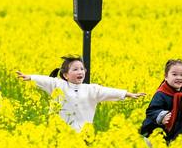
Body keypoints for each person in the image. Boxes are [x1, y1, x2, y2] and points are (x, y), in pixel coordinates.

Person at [16, 56, 145, 132]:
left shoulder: (91, 89)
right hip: (61, 133)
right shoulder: (58, 85)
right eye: (75, 69)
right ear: (65, 75)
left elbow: (109, 91)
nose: (80, 72)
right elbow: (45, 80)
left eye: (82, 69)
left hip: (84, 134)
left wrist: (128, 94)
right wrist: (30, 77)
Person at [139, 58, 182, 145]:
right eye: (174, 74)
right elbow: (151, 111)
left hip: (176, 129)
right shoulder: (161, 93)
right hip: (157, 131)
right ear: (166, 76)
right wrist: (162, 116)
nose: (179, 77)